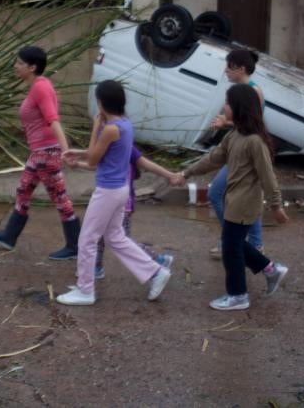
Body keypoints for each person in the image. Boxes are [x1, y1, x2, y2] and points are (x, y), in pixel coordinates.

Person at [174, 83, 289, 311]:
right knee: (234, 244)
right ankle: (271, 269)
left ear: (239, 107)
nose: (224, 106)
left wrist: (276, 206)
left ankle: (238, 295)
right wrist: (186, 173)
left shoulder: (255, 142)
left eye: (227, 102)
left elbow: (268, 176)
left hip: (244, 203)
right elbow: (213, 158)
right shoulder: (234, 135)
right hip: (234, 201)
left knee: (230, 250)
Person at [56, 80, 172, 306]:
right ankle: (156, 272)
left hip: (108, 191)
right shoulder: (125, 124)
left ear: (101, 103)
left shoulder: (109, 128)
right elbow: (102, 155)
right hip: (119, 190)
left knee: (87, 238)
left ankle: (85, 290)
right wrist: (78, 154)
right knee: (115, 237)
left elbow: (93, 159)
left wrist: (94, 128)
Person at [0, 46, 80, 260]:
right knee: (24, 191)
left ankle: (75, 246)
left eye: (19, 63)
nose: (15, 66)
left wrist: (66, 151)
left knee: (60, 199)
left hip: (47, 154)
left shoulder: (41, 88)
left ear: (32, 67)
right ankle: (9, 236)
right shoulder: (38, 85)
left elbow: (53, 120)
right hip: (38, 153)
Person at [66, 143, 179, 280]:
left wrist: (170, 175)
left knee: (120, 240)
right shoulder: (116, 141)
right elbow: (100, 165)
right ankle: (96, 267)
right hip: (118, 200)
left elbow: (145, 163)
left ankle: (158, 260)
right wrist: (78, 164)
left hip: (122, 203)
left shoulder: (121, 143)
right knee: (104, 237)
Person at [208, 49, 265, 259]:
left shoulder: (253, 91)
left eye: (229, 67)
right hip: (237, 148)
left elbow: (253, 123)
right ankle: (235, 240)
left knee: (220, 193)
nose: (225, 71)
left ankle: (246, 242)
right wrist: (224, 123)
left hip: (248, 152)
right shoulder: (239, 89)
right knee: (226, 195)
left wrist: (225, 122)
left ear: (241, 69)